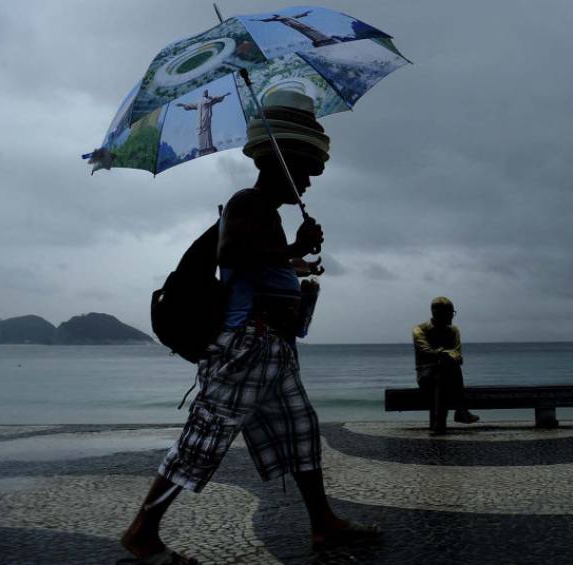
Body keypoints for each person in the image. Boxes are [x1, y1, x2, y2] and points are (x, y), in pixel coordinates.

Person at [121, 90, 377, 565]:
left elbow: (255, 268)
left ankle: (323, 524)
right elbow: (231, 256)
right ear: (284, 162)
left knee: (302, 430)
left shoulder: (268, 215)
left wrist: (294, 264)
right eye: (303, 171)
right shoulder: (248, 203)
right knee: (204, 438)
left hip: (273, 350)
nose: (308, 181)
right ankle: (142, 531)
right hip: (247, 346)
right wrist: (290, 248)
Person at [412, 296, 480, 434]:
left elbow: (458, 355)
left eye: (452, 313)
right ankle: (461, 410)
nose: (452, 316)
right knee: (445, 371)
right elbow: (426, 351)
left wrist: (444, 355)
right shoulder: (419, 330)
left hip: (445, 377)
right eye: (450, 313)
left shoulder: (453, 330)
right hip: (426, 375)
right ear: (437, 313)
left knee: (443, 376)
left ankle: (439, 425)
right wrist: (446, 354)